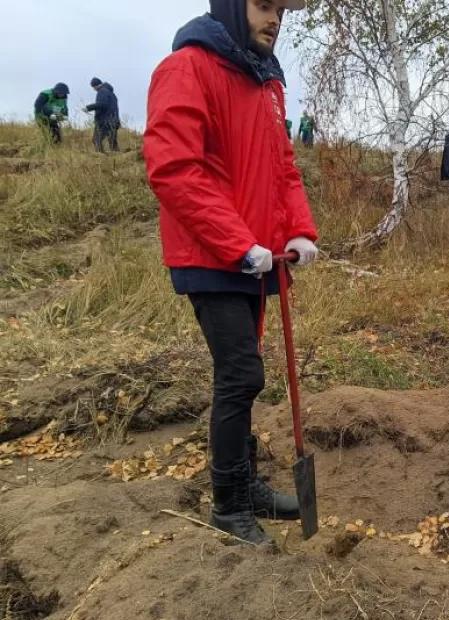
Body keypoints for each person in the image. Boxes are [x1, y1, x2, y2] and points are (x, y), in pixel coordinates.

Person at [143, 0, 317, 545]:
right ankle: (228, 504)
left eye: (282, 11)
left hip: (258, 255)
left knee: (244, 374)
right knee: (241, 375)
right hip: (211, 254)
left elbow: (282, 165)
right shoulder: (187, 67)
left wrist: (299, 230)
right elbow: (174, 169)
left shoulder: (266, 83)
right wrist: (238, 243)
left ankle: (246, 484)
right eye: (264, 5)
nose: (275, 19)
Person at [85, 77, 121, 153]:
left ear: (95, 86)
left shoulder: (102, 91)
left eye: (93, 87)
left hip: (104, 122)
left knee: (96, 140)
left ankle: (100, 158)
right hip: (114, 121)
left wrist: (88, 108)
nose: (94, 89)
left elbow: (102, 104)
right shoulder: (112, 94)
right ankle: (118, 159)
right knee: (112, 143)